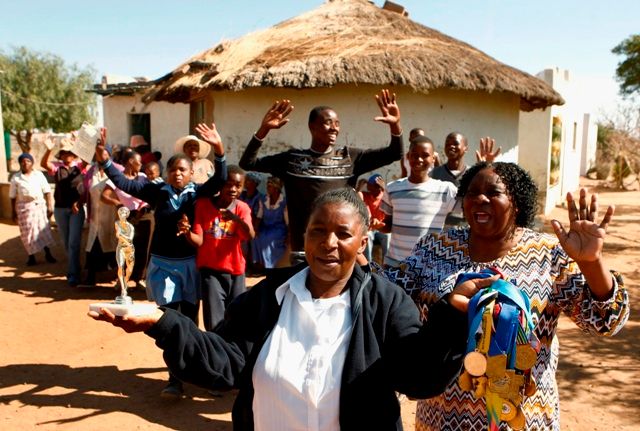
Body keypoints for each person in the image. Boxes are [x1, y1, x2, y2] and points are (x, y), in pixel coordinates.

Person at [89, 187, 481, 431]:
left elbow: (417, 378)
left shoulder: (385, 301)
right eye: (317, 231)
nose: (329, 243)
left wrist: (450, 320)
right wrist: (163, 321)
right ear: (303, 236)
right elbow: (225, 364)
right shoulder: (269, 295)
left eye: (343, 234)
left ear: (362, 244)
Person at [379, 162, 630, 430]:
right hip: (442, 417)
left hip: (523, 419)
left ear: (517, 203)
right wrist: (354, 252)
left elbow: (605, 321)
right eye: (472, 193)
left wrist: (591, 263)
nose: (479, 199)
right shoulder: (435, 248)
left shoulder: (548, 254)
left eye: (493, 192)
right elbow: (387, 290)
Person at [94, 122, 227, 398]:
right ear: (167, 173)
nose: (177, 173)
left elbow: (220, 181)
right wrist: (105, 160)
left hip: (189, 265)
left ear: (192, 173)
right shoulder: (157, 192)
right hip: (163, 266)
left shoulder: (197, 193)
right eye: (173, 169)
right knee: (169, 320)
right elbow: (124, 183)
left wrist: (218, 149)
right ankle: (175, 378)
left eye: (183, 170)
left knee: (191, 322)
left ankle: (201, 373)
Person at [239, 88, 404, 265]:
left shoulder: (349, 158)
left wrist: (395, 125)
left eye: (337, 123)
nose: (334, 128)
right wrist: (264, 129)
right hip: (304, 252)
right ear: (312, 127)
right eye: (328, 123)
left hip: (339, 251)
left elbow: (394, 153)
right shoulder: (292, 160)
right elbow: (248, 163)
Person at [177, 165, 254, 332]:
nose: (233, 189)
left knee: (237, 319)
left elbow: (250, 235)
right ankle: (215, 355)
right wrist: (187, 233)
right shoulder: (203, 205)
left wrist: (236, 219)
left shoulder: (242, 208)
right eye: (229, 184)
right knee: (214, 323)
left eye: (238, 186)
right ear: (220, 185)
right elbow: (198, 241)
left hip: (236, 272)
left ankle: (233, 356)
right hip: (210, 272)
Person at [380, 135, 457, 266]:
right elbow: (388, 224)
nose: (419, 159)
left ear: (433, 158)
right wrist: (377, 225)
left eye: (425, 155)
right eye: (414, 155)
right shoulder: (392, 189)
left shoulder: (445, 190)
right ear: (408, 156)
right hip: (395, 265)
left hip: (429, 267)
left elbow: (469, 209)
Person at [101, 150, 152, 289]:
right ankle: (122, 279)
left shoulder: (142, 177)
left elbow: (149, 193)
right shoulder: (118, 179)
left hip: (143, 216)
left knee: (142, 249)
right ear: (130, 162)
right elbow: (104, 196)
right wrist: (118, 203)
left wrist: (143, 207)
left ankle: (139, 278)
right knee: (125, 249)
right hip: (126, 217)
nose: (141, 164)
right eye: (139, 161)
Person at [41, 136, 87, 287]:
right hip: (60, 209)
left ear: (74, 154)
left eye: (69, 153)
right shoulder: (57, 168)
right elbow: (43, 164)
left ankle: (73, 275)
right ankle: (75, 269)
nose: (67, 156)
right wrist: (48, 149)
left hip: (76, 209)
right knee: (67, 243)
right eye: (64, 153)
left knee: (74, 243)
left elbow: (87, 159)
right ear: (60, 155)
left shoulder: (79, 166)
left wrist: (79, 143)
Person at [81, 150, 122, 286]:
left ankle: (119, 280)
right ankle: (90, 277)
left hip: (112, 214)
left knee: (114, 245)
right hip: (96, 215)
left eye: (103, 154)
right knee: (93, 244)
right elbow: (86, 190)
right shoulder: (91, 172)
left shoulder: (117, 170)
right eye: (97, 155)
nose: (100, 157)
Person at [9, 153, 57, 266]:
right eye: (23, 161)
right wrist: (13, 212)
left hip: (39, 206)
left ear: (32, 163)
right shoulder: (16, 178)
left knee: (43, 231)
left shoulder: (39, 175)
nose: (25, 163)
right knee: (27, 233)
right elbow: (12, 196)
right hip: (24, 208)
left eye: (28, 161)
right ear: (20, 163)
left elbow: (47, 191)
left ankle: (48, 253)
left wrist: (50, 206)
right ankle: (31, 256)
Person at [430, 132, 469, 227]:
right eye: (447, 144)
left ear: (465, 148)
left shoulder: (472, 174)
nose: (451, 146)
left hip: (464, 230)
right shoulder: (434, 174)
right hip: (439, 230)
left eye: (455, 143)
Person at [252, 175, 288, 271]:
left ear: (276, 188)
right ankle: (260, 264)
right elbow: (259, 216)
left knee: (269, 239)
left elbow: (287, 221)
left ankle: (271, 266)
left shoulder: (283, 202)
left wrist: (289, 234)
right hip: (266, 226)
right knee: (256, 238)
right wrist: (255, 229)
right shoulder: (264, 200)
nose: (267, 189)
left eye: (270, 186)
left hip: (278, 228)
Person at [360, 173, 389, 265]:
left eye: (379, 186)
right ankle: (368, 265)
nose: (378, 189)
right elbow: (357, 195)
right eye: (375, 186)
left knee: (388, 236)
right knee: (366, 236)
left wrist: (385, 189)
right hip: (370, 228)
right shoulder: (365, 196)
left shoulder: (385, 197)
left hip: (381, 228)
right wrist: (359, 186)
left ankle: (387, 265)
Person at [239, 171, 264, 274]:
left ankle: (248, 266)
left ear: (254, 183)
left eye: (248, 181)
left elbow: (258, 216)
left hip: (252, 226)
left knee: (248, 241)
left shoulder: (259, 197)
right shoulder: (242, 195)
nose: (246, 182)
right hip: (239, 223)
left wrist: (253, 228)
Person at [114, 206, 135, 298]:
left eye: (124, 213)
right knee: (120, 267)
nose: (122, 215)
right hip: (121, 248)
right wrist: (125, 239)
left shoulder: (131, 226)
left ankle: (125, 284)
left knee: (129, 270)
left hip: (130, 249)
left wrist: (123, 237)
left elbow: (130, 238)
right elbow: (117, 235)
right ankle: (123, 289)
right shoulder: (117, 223)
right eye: (121, 213)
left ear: (127, 215)